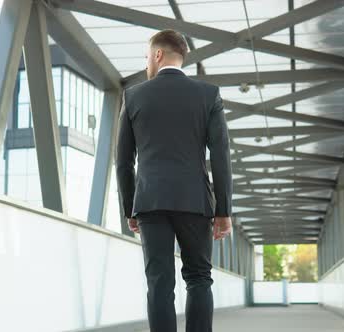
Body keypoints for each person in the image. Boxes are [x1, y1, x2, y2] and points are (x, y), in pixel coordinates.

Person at [115, 29, 233, 332]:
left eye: (146, 58)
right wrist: (224, 211)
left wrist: (130, 208)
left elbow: (123, 162)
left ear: (157, 55)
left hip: (151, 202)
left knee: (159, 284)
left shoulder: (133, 96)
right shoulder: (208, 95)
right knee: (199, 279)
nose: (146, 66)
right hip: (194, 201)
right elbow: (221, 157)